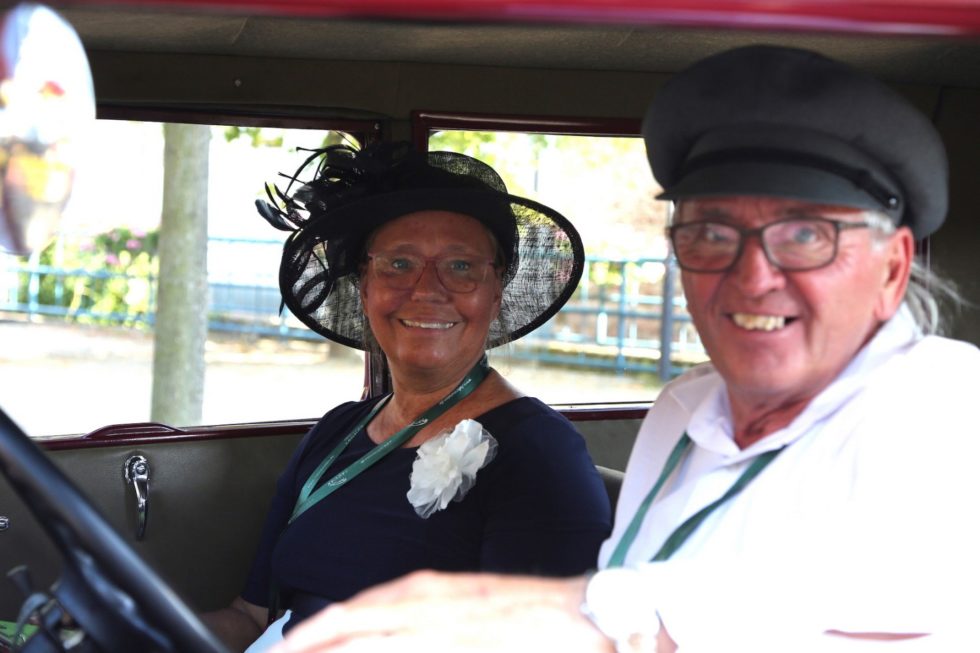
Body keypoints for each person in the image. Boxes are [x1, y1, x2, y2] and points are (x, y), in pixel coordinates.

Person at [266, 46, 980, 652]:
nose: (754, 277)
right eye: (711, 233)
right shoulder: (683, 409)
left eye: (806, 235)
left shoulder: (943, 406)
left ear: (891, 268)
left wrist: (545, 614)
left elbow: (861, 605)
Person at [203, 141, 612, 651]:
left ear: (496, 289)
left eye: (461, 266)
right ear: (364, 285)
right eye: (398, 263)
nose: (426, 289)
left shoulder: (538, 455)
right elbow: (251, 616)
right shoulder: (337, 432)